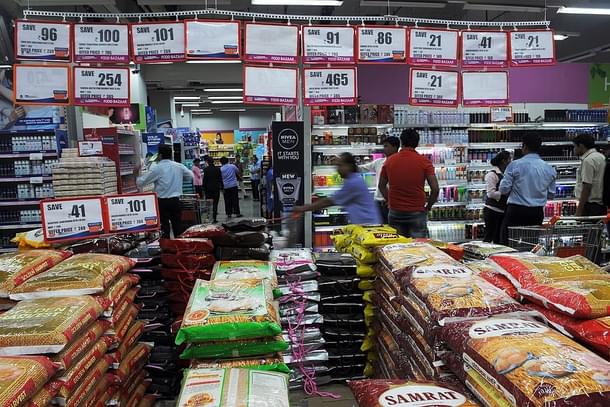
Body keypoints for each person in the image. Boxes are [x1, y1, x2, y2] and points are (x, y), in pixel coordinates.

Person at [378, 129, 439, 238]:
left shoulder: (390, 161)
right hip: (417, 211)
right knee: (418, 247)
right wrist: (428, 206)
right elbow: (435, 189)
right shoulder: (424, 162)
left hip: (395, 211)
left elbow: (381, 186)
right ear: (417, 143)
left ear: (401, 142)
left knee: (397, 246)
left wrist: (389, 201)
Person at [499, 133, 556, 245]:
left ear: (524, 146)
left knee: (508, 244)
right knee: (530, 245)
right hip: (536, 212)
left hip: (516, 211)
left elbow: (503, 189)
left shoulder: (515, 165)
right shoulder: (549, 168)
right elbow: (551, 195)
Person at [294, 152, 381, 225]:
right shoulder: (353, 179)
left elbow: (330, 201)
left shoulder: (353, 182)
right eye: (337, 166)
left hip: (368, 227)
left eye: (340, 165)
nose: (338, 169)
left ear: (349, 166)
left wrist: (303, 208)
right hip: (365, 225)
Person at [135, 144, 193, 238]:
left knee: (164, 228)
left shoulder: (157, 168)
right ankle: (179, 247)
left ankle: (167, 249)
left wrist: (136, 174)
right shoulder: (179, 166)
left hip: (162, 202)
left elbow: (141, 182)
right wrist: (180, 179)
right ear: (171, 155)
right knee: (178, 226)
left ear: (160, 155)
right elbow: (191, 176)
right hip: (175, 201)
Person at [359, 136, 400, 223]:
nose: (384, 149)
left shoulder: (401, 163)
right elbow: (362, 168)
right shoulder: (379, 162)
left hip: (394, 204)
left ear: (395, 147)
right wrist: (348, 165)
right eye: (383, 146)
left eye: (386, 146)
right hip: (379, 202)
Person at [573, 133, 607, 216]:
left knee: (587, 228)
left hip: (590, 206)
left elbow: (587, 187)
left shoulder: (588, 160)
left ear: (581, 146)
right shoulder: (601, 157)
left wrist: (579, 211)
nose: (574, 149)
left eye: (575, 146)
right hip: (601, 204)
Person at [483, 151, 512, 243]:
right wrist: (504, 193)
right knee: (489, 236)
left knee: (499, 238)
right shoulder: (492, 175)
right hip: (492, 210)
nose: (510, 162)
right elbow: (490, 193)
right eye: (509, 160)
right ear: (504, 161)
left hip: (503, 211)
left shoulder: (506, 174)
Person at [202, 156, 222, 223]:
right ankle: (214, 218)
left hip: (208, 189)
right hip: (216, 188)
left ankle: (208, 218)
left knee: (208, 203)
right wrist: (222, 187)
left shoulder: (206, 169)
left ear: (207, 162)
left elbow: (205, 180)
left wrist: (203, 188)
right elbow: (220, 179)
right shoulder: (218, 169)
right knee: (215, 203)